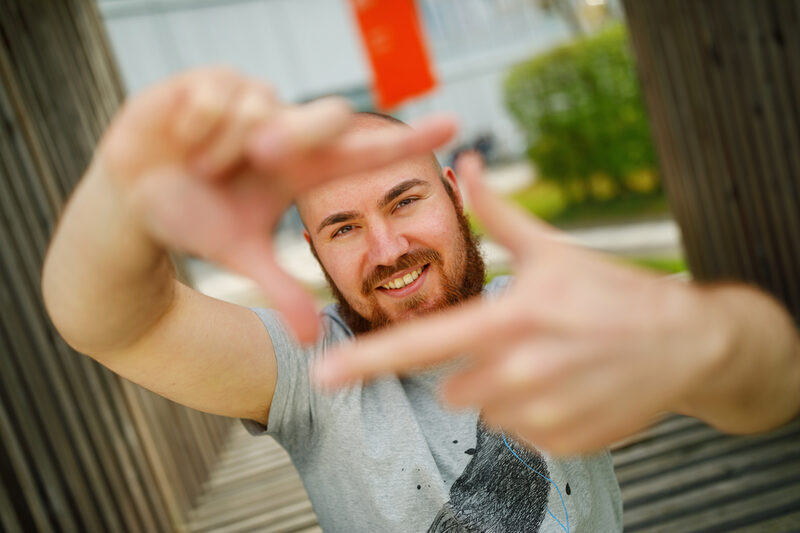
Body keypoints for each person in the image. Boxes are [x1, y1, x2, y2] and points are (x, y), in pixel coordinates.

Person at [42, 67, 799, 531]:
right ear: (315, 255)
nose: (386, 249)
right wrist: (122, 191)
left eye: (404, 202)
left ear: (455, 196)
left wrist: (713, 339)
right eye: (342, 227)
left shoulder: (550, 312)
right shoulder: (311, 376)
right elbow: (111, 322)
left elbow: (775, 385)